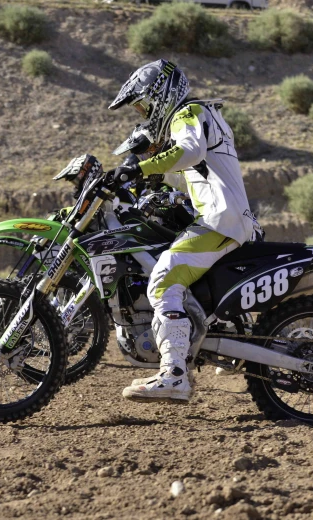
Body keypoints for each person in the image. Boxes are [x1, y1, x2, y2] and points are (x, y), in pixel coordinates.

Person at [107, 59, 256, 402]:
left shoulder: (186, 113)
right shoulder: (198, 116)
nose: (144, 113)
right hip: (227, 217)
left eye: (143, 104)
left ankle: (174, 374)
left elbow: (190, 151)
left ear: (160, 94)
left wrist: (138, 167)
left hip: (220, 219)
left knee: (162, 280)